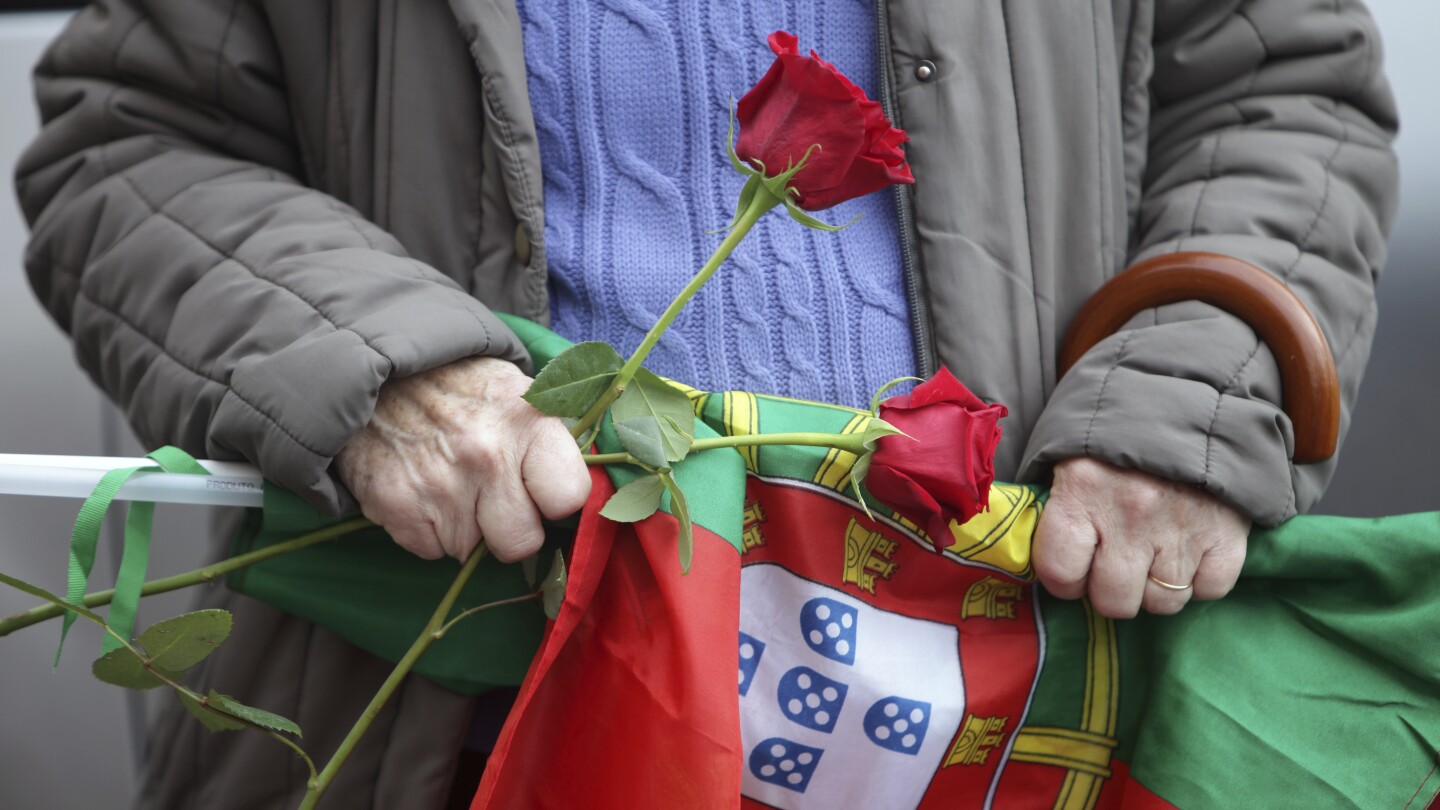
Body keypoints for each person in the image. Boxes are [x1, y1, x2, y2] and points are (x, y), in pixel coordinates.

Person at [15, 0, 1397, 807]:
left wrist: (1191, 383)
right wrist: (378, 367)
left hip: (996, 713)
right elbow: (128, 142)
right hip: (451, 707)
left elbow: (1279, 82)